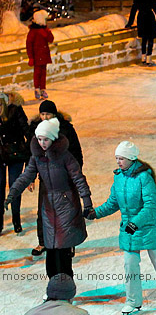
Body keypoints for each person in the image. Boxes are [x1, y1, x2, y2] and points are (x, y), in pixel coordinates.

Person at [89, 140, 156, 314]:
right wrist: (95, 213)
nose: (118, 162)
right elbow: (113, 202)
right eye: (117, 158)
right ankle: (133, 301)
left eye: (122, 158)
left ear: (131, 158)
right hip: (130, 231)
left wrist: (135, 223)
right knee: (130, 265)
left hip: (149, 229)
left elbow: (151, 206)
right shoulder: (119, 177)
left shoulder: (144, 177)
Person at [6, 118, 92, 277]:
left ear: (53, 138)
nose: (42, 143)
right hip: (48, 208)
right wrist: (11, 195)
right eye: (39, 139)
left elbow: (79, 178)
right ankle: (53, 290)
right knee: (51, 251)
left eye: (46, 139)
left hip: (66, 205)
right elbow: (25, 177)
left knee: (63, 252)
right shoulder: (37, 157)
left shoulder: (65, 157)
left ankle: (66, 290)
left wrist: (87, 203)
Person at [26, 99, 83, 256]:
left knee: (66, 211)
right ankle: (43, 242)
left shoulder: (65, 128)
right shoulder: (36, 130)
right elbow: (30, 153)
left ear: (54, 114)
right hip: (45, 177)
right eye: (42, 114)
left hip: (65, 177)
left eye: (48, 114)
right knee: (43, 211)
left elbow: (76, 152)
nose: (45, 117)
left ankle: (69, 243)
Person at [0, 92, 29, 235]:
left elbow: (27, 131)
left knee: (15, 187)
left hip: (16, 154)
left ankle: (16, 220)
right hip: (0, 155)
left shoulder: (16, 110)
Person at [126, 0, 156, 66]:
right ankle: (149, 58)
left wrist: (130, 22)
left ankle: (143, 57)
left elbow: (133, 9)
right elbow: (155, 6)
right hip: (149, 17)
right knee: (150, 38)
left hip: (141, 17)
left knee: (144, 38)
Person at [26, 8, 53, 99]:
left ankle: (43, 88)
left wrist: (47, 31)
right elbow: (29, 45)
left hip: (44, 55)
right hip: (37, 56)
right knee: (37, 73)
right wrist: (31, 57)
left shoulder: (44, 30)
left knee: (43, 72)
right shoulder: (33, 32)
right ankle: (37, 89)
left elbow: (51, 39)